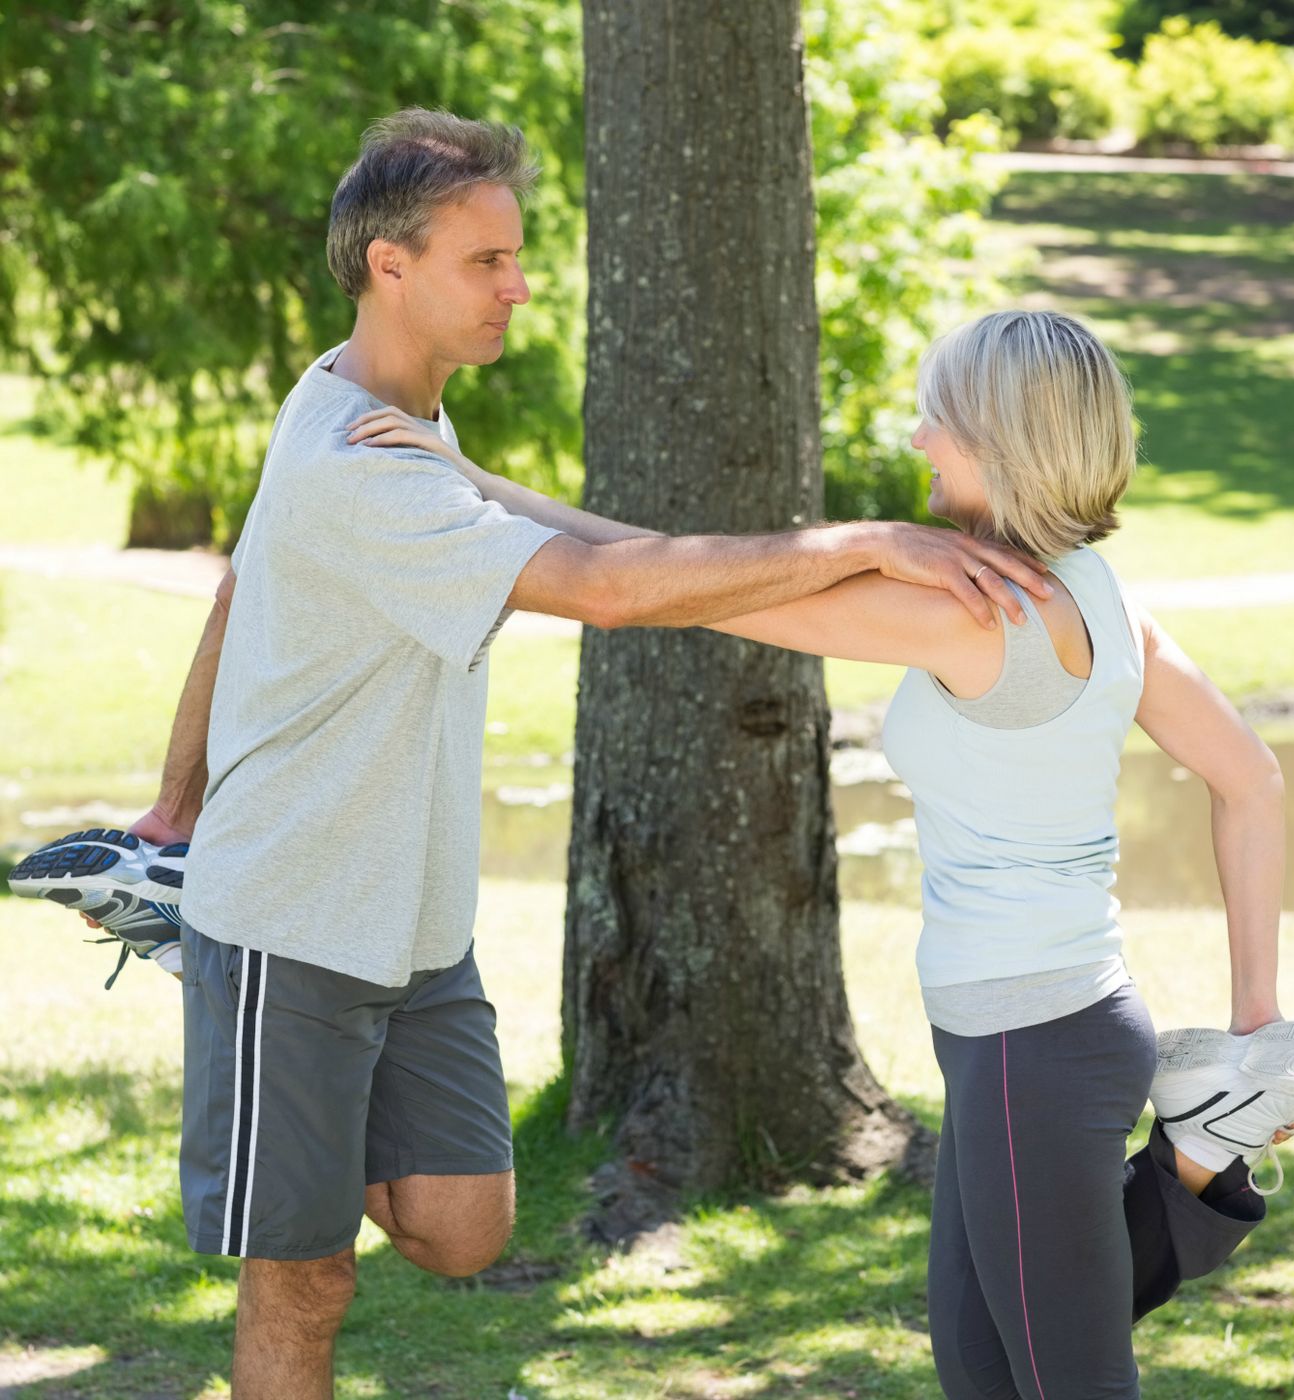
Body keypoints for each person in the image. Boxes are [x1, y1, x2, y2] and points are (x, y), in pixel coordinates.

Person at [24, 110, 1059, 1400]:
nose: (519, 285)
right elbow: (610, 593)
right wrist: (866, 538)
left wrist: (172, 807)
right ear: (387, 267)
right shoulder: (362, 465)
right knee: (304, 1281)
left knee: (466, 1226)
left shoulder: (376, 409)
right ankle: (236, 992)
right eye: (486, 261)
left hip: (410, 927)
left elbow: (245, 584)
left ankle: (221, 952)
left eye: (518, 256)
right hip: (293, 916)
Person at [355, 306, 1294, 1399]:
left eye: (934, 416)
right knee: (984, 1355)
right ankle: (1197, 1151)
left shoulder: (972, 614)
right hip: (1048, 1028)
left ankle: (1200, 1154)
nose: (914, 439)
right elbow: (1252, 779)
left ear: (1000, 440)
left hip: (1027, 1042)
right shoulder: (1098, 596)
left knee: (1060, 1374)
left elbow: (675, 586)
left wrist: (481, 490)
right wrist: (1255, 1006)